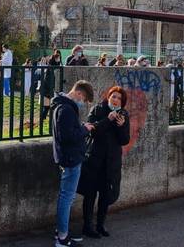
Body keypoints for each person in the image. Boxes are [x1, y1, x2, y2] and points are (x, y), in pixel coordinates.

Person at [77, 86, 130, 239]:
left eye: (119, 98)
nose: (116, 100)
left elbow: (124, 140)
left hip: (111, 162)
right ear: (108, 96)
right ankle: (87, 225)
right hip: (94, 159)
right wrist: (109, 119)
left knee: (105, 195)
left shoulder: (123, 114)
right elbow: (92, 131)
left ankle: (100, 224)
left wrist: (121, 127)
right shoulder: (97, 109)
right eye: (113, 96)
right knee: (90, 194)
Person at [51, 80, 96, 246]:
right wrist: (85, 129)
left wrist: (81, 126)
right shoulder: (67, 109)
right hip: (70, 159)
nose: (83, 103)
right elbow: (68, 136)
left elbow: (68, 131)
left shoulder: (62, 106)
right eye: (83, 100)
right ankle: (62, 238)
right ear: (78, 93)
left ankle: (62, 232)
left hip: (68, 157)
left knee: (66, 197)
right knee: (66, 198)